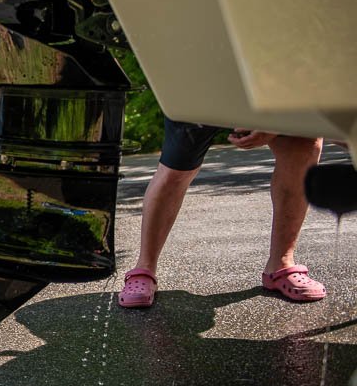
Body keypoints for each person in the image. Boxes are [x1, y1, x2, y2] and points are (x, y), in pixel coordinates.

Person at [119, 116, 326, 308]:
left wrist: (274, 122)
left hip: (278, 94)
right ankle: (145, 267)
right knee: (176, 168)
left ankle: (281, 264)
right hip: (203, 91)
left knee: (303, 146)